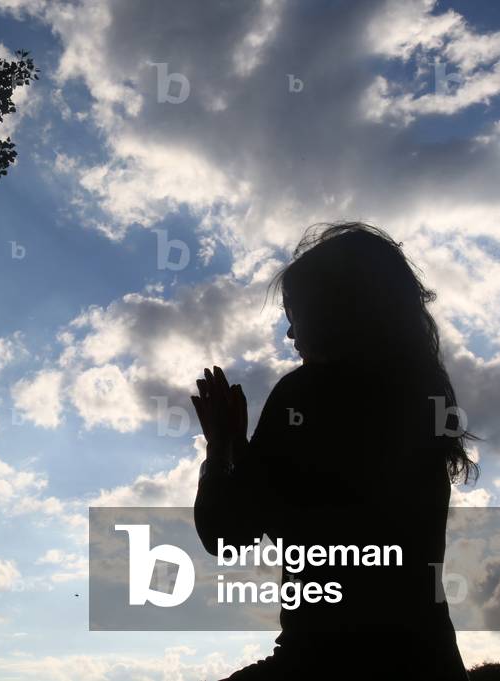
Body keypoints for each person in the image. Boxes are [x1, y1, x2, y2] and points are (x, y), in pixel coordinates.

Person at [192, 222, 476, 680]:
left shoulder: (305, 395)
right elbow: (319, 515)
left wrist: (220, 448)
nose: (290, 334)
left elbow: (225, 534)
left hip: (325, 662)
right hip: (430, 661)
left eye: (296, 313)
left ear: (333, 310)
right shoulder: (423, 401)